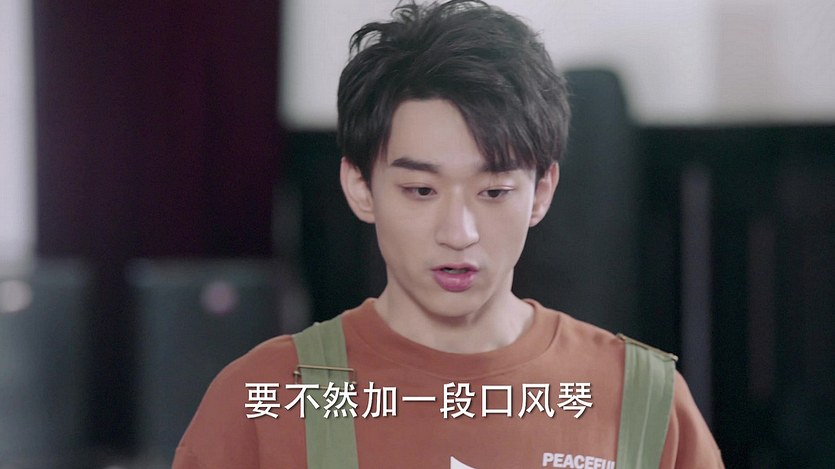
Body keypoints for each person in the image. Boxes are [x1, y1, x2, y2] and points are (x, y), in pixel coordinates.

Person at [173, 1, 724, 467]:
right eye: (421, 190)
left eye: (494, 192)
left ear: (542, 191)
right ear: (361, 187)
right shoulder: (262, 402)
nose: (459, 233)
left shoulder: (641, 399)